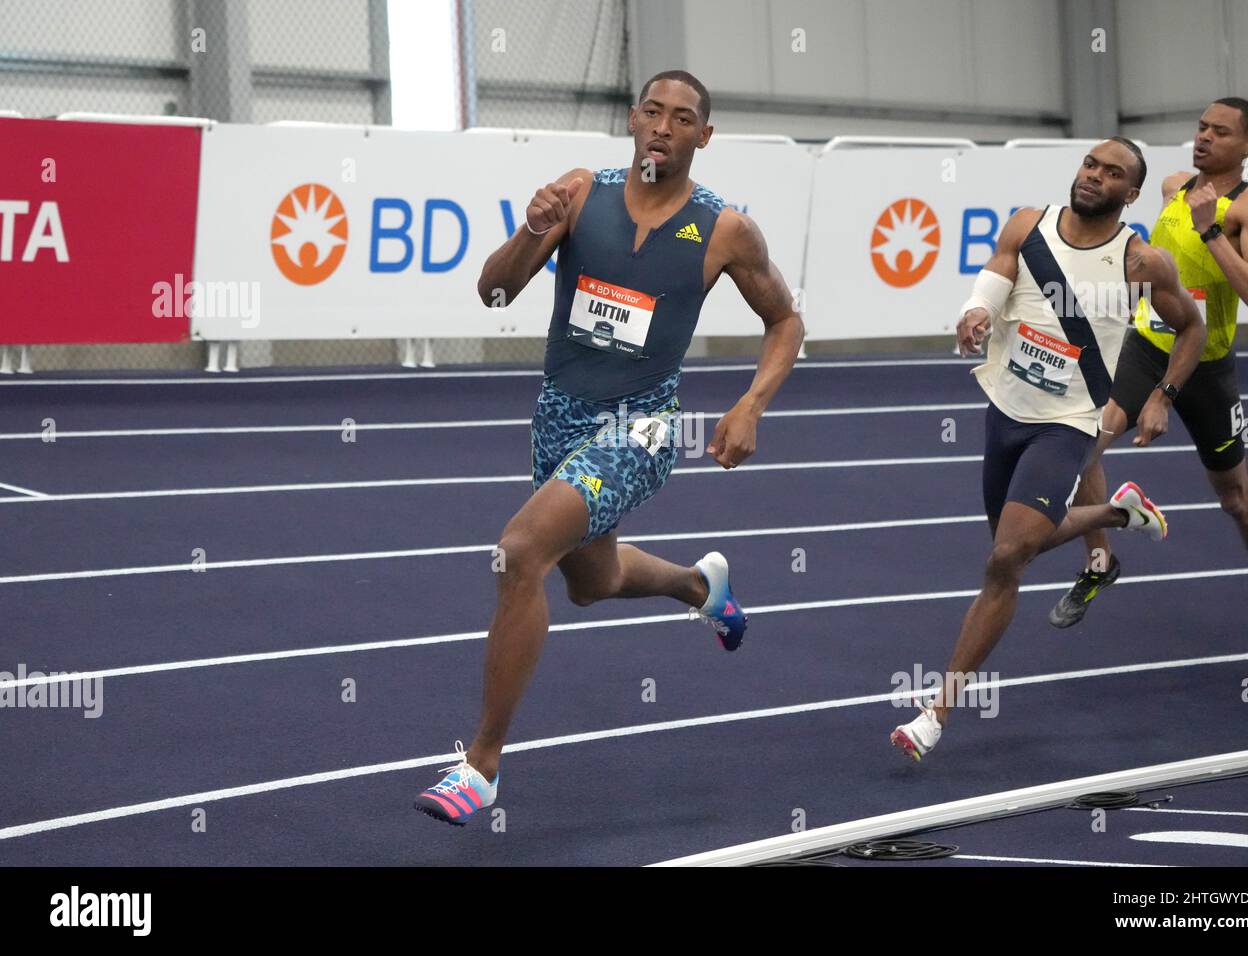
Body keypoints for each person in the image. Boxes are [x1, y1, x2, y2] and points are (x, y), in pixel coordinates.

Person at [414, 70, 805, 823]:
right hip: (560, 412)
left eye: (682, 118)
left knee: (522, 551)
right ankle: (701, 587)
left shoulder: (724, 229)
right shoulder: (577, 194)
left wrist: (752, 403)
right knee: (589, 581)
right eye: (652, 111)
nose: (663, 127)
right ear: (632, 120)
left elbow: (785, 320)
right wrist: (533, 228)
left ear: (703, 136)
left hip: (643, 426)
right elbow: (493, 293)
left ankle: (481, 765)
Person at [891, 138, 1207, 761]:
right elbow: (996, 277)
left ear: (1131, 194)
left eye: (1112, 173)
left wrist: (1163, 396)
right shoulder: (1027, 224)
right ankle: (1121, 513)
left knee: (1007, 558)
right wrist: (975, 313)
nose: (1095, 176)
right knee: (1010, 552)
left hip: (1068, 423)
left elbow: (1191, 326)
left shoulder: (1142, 262)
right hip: (1004, 412)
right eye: (1091, 164)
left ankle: (936, 712)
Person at [1050, 99, 1248, 666]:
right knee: (1085, 445)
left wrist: (1211, 233)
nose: (1203, 137)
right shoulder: (1173, 185)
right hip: (1145, 346)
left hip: (1208, 365)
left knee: (1234, 498)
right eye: (1201, 127)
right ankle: (1100, 561)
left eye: (1220, 132)